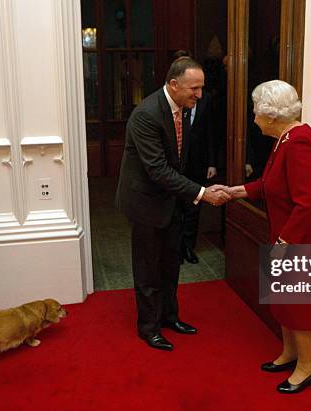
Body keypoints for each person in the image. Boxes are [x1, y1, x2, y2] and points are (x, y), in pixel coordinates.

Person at [223, 80, 311, 394]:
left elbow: (306, 202)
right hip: (288, 234)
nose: (254, 118)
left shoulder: (301, 142)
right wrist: (236, 192)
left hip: (303, 238)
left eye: (256, 112)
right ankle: (289, 354)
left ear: (270, 116)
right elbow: (270, 184)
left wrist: (284, 245)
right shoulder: (285, 138)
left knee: (299, 302)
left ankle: (307, 366)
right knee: (284, 298)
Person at [115, 57, 230, 351]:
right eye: (195, 88)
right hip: (145, 202)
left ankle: (169, 317)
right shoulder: (146, 115)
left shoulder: (184, 109)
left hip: (171, 200)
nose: (200, 95)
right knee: (148, 267)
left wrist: (199, 186)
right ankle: (148, 327)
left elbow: (180, 161)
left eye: (202, 88)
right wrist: (202, 193)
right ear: (174, 84)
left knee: (170, 263)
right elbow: (158, 170)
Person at [181, 87, 217, 264]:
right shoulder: (175, 99)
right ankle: (174, 246)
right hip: (176, 163)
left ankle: (188, 246)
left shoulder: (206, 99)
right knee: (175, 204)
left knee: (194, 205)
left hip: (198, 162)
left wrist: (212, 162)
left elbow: (211, 130)